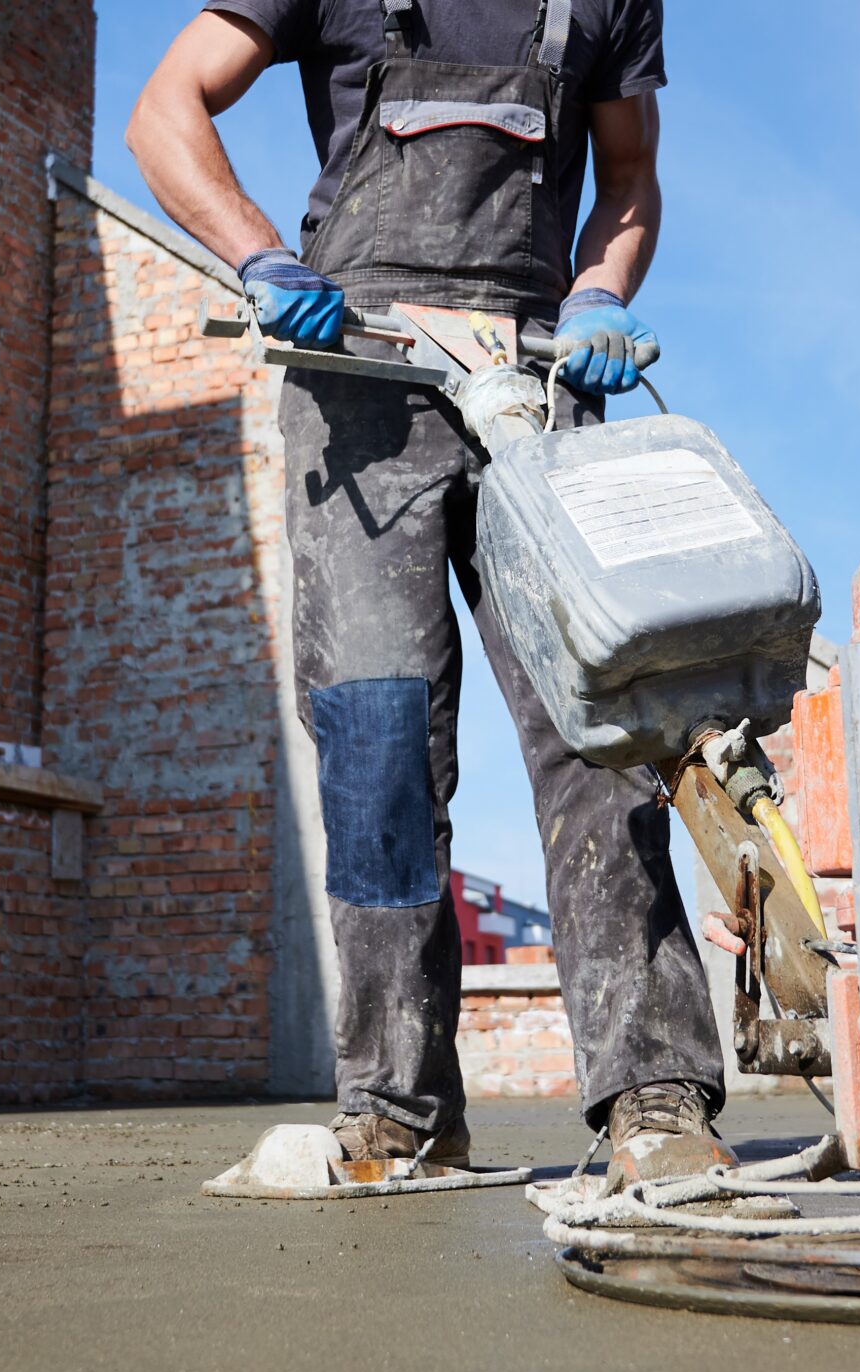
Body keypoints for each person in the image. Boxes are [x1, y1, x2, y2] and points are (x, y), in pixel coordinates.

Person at [128, 0, 728, 1188]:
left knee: (600, 733)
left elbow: (630, 176)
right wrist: (262, 257)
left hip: (534, 388)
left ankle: (653, 1102)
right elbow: (164, 111)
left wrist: (599, 292)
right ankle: (399, 1113)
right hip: (359, 378)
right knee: (377, 741)